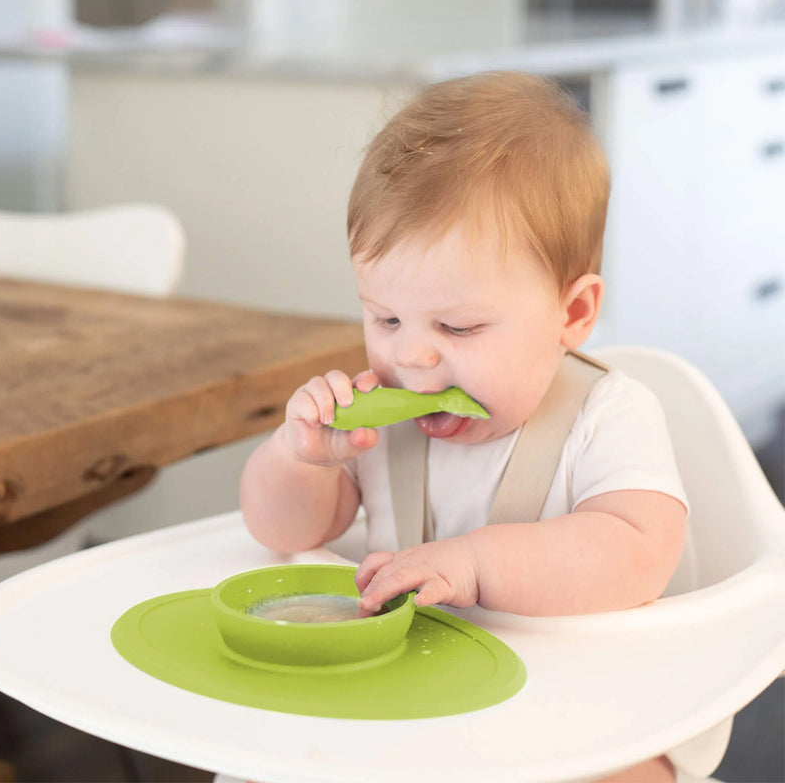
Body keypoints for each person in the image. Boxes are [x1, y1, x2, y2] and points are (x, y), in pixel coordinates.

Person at [240, 71, 689, 782]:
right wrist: (303, 459)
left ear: (571, 315)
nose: (410, 354)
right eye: (385, 318)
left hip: (580, 715)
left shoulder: (609, 415)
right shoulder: (378, 420)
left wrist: (475, 564)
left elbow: (640, 552)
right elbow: (284, 533)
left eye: (457, 326)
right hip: (408, 703)